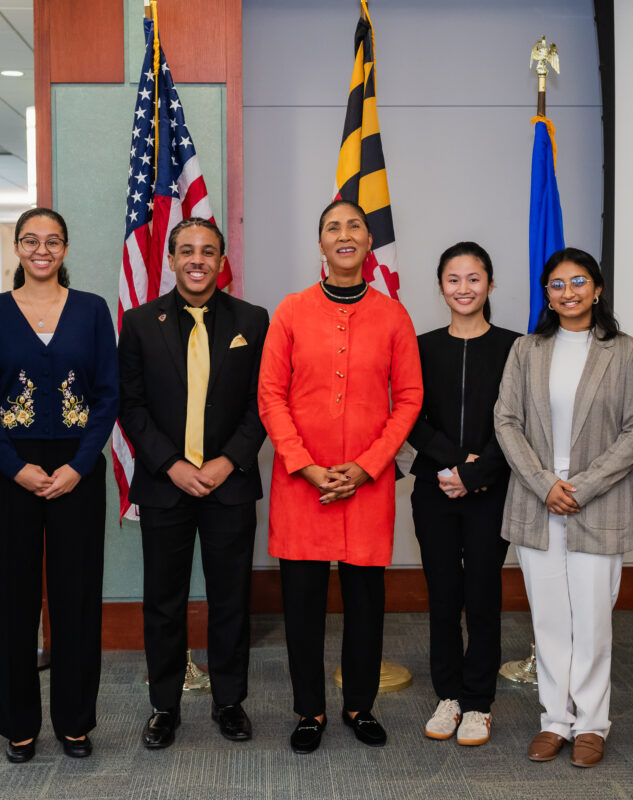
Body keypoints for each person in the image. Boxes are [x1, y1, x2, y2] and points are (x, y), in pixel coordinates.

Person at [258, 199, 423, 754]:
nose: (344, 235)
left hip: (366, 487)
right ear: (321, 244)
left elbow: (409, 399)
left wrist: (366, 466)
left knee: (366, 606)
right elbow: (270, 396)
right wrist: (305, 466)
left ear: (369, 243)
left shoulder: (394, 316)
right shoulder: (290, 310)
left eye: (355, 226)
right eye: (333, 227)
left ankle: (359, 705)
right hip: (301, 487)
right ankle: (309, 710)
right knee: (301, 609)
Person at [0, 207, 118, 763]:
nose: (41, 250)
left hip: (78, 467)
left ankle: (75, 721)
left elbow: (107, 397)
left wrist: (80, 464)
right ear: (17, 248)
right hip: (13, 469)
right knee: (14, 598)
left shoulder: (93, 311)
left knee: (77, 598)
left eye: (52, 241)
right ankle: (19, 725)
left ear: (66, 248)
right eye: (30, 240)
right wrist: (15, 466)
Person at [493, 247, 633, 768]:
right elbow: (507, 422)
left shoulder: (625, 351)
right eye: (557, 284)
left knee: (592, 617)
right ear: (547, 295)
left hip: (596, 501)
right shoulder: (526, 349)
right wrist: (544, 483)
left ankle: (591, 724)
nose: (569, 292)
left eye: (579, 281)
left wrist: (581, 485)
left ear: (598, 288)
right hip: (538, 501)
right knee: (550, 618)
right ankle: (554, 721)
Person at [118, 217, 270, 750]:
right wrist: (171, 464)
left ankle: (230, 701)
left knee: (230, 598)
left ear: (221, 260)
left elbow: (262, 404)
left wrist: (227, 462)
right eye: (187, 250)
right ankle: (164, 705)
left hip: (229, 484)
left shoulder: (252, 320)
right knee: (164, 600)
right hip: (166, 485)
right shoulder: (139, 322)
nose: (197, 259)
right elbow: (131, 407)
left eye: (208, 250)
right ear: (172, 259)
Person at [408, 242, 520, 746]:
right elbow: (410, 415)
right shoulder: (420, 346)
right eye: (453, 279)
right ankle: (448, 695)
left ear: (490, 285)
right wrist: (452, 463)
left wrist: (477, 472)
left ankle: (478, 702)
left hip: (491, 490)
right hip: (433, 489)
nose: (464, 288)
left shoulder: (516, 348)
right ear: (441, 287)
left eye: (474, 278)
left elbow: (520, 422)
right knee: (443, 595)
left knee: (482, 595)